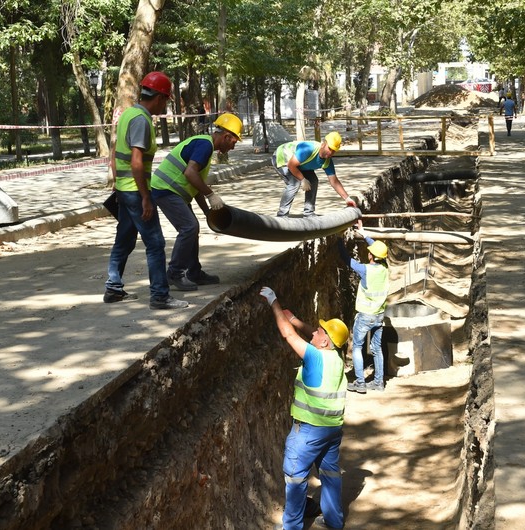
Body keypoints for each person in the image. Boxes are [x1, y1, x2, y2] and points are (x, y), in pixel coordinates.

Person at [259, 286, 348, 530]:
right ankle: (333, 520)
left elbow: (288, 335)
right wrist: (296, 320)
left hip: (308, 433)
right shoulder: (336, 356)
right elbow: (310, 333)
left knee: (295, 478)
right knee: (329, 474)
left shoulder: (315, 357)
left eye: (320, 330)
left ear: (325, 340)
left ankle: (291, 527)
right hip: (332, 430)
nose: (315, 331)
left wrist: (273, 302)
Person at [104, 71, 188, 310]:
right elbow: (137, 161)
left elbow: (114, 155)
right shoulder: (141, 120)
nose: (165, 106)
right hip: (134, 191)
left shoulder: (128, 114)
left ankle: (113, 288)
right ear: (159, 97)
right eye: (166, 101)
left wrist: (119, 186)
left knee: (124, 240)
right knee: (155, 243)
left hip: (124, 189)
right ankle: (160, 295)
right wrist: (145, 198)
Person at [151, 112, 240, 291]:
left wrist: (207, 211)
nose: (233, 147)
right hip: (166, 189)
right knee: (189, 227)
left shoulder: (205, 147)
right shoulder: (204, 145)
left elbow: (195, 184)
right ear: (226, 136)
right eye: (233, 142)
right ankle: (175, 273)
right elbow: (190, 174)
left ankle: (194, 272)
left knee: (192, 228)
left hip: (173, 191)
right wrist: (211, 195)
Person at [338, 224, 390, 393]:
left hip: (365, 316)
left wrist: (338, 241)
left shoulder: (365, 270)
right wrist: (364, 233)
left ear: (370, 256)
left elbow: (347, 260)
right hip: (379, 315)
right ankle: (378, 382)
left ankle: (360, 383)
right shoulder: (385, 268)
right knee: (377, 349)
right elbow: (378, 250)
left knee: (358, 347)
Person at [272, 132, 357, 217]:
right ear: (324, 144)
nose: (331, 153)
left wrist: (347, 198)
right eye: (330, 148)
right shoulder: (308, 149)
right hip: (282, 158)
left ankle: (309, 213)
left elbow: (334, 181)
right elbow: (291, 165)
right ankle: (281, 215)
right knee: (294, 183)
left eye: (334, 151)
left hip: (299, 165)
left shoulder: (327, 161)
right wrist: (302, 179)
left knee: (313, 181)